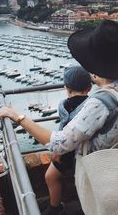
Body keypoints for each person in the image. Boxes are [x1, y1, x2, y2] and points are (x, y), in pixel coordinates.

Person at [0, 19, 118, 214]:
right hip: (117, 153)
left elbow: (59, 144)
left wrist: (18, 117)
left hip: (95, 163)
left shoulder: (98, 103)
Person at [44, 66, 91, 215]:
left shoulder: (63, 105)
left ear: (67, 88)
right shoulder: (92, 105)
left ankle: (55, 207)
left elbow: (63, 131)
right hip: (87, 152)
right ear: (89, 87)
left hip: (67, 154)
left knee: (50, 177)